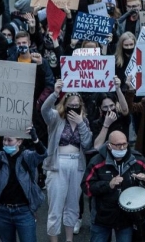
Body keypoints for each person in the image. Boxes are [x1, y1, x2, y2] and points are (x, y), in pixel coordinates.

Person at [82, 130, 145, 242]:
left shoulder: (136, 159)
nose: (122, 148)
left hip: (126, 219)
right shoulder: (97, 162)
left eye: (124, 144)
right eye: (118, 145)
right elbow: (86, 186)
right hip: (102, 218)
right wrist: (108, 185)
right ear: (109, 145)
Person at [41, 81, 93, 242]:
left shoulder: (83, 120)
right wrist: (55, 93)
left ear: (81, 106)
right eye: (70, 105)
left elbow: (87, 144)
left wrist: (80, 124)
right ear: (65, 105)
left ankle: (69, 239)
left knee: (73, 205)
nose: (73, 107)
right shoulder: (56, 118)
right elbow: (44, 110)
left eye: (76, 105)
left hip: (77, 165)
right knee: (55, 207)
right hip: (57, 165)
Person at [0, 126, 46, 242]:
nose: (6, 143)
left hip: (24, 211)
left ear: (19, 142)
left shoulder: (27, 156)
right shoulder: (0, 156)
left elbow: (42, 155)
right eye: (4, 140)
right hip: (3, 212)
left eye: (10, 140)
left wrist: (35, 139)